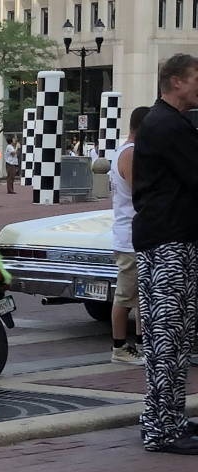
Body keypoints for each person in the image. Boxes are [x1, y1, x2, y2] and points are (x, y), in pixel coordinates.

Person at [132, 53, 198, 454]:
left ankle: (167, 418)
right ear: (176, 81)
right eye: (196, 79)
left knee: (173, 337)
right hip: (168, 241)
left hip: (169, 238)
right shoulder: (168, 125)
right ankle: (163, 429)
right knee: (169, 337)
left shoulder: (166, 122)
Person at [109, 107, 150, 366]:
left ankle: (141, 343)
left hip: (131, 234)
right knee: (126, 296)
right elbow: (141, 192)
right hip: (130, 237)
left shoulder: (123, 151)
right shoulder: (131, 154)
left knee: (140, 296)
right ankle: (120, 346)